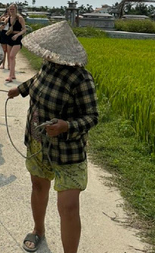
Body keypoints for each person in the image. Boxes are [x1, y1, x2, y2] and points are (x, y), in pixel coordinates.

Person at [7, 21, 99, 253]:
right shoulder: (48, 66)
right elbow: (38, 81)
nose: (46, 56)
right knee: (38, 185)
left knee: (68, 206)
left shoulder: (81, 79)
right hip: (38, 142)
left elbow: (92, 117)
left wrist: (67, 125)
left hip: (67, 151)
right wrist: (20, 90)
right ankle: (38, 230)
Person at [4, 3, 26, 82]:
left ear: (16, 9)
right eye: (10, 9)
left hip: (17, 38)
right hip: (10, 38)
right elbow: (3, 24)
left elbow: (24, 29)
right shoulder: (9, 18)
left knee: (12, 56)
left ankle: (10, 76)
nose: (11, 10)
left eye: (13, 9)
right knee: (11, 57)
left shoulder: (20, 18)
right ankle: (13, 74)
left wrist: (17, 35)